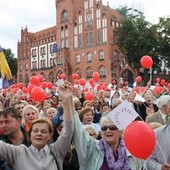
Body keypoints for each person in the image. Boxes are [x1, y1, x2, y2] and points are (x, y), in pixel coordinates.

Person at [0, 81, 73, 170]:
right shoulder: (18, 152)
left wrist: (66, 101)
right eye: (35, 131)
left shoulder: (56, 151)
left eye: (43, 131)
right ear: (30, 135)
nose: (39, 134)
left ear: (50, 136)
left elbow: (68, 131)